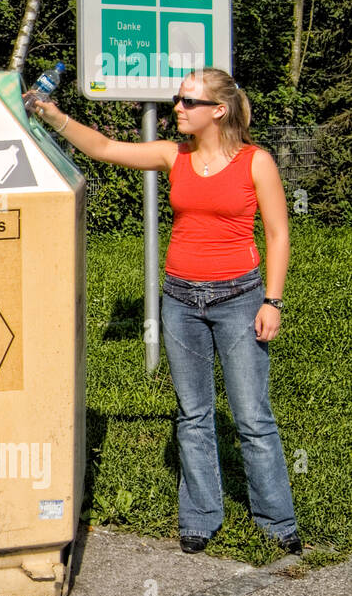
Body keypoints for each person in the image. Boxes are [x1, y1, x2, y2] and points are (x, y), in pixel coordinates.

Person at [27, 67, 301, 556]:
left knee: (252, 417)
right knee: (192, 415)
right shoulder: (173, 155)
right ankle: (200, 517)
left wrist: (272, 301)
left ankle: (277, 519)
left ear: (218, 110)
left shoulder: (256, 162)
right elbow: (107, 148)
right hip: (179, 299)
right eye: (178, 99)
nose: (178, 107)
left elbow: (278, 234)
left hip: (239, 297)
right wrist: (53, 116)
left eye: (188, 101)